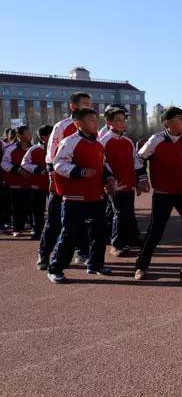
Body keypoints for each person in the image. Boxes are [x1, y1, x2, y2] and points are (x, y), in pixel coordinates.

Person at [133, 106, 182, 281]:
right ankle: (141, 266)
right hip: (162, 194)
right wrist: (142, 178)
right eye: (180, 118)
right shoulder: (156, 140)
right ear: (168, 123)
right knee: (155, 232)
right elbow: (139, 158)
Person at [47, 108, 118, 283]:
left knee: (99, 232)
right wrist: (80, 171)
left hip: (96, 196)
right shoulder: (69, 142)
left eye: (96, 120)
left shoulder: (98, 144)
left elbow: (103, 165)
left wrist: (109, 178)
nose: (95, 123)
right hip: (75, 198)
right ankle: (55, 268)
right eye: (91, 120)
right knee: (70, 234)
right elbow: (58, 165)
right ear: (79, 123)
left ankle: (96, 264)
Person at [40, 92, 93, 268]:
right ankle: (45, 254)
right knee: (54, 220)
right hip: (62, 181)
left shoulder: (92, 129)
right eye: (85, 103)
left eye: (90, 103)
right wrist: (52, 180)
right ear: (73, 106)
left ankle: (83, 253)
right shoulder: (62, 127)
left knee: (83, 220)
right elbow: (51, 156)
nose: (89, 106)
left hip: (82, 182)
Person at [99, 107, 150, 257]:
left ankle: (132, 239)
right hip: (114, 185)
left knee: (128, 212)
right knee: (119, 213)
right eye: (118, 120)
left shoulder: (128, 141)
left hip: (128, 184)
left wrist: (141, 180)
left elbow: (136, 162)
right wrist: (108, 182)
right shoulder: (103, 142)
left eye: (123, 120)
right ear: (108, 122)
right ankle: (116, 244)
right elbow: (102, 164)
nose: (122, 123)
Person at [20, 125, 53, 242]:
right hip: (37, 185)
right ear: (44, 137)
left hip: (53, 185)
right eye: (52, 134)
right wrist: (37, 169)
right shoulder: (34, 149)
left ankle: (54, 231)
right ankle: (37, 230)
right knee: (38, 210)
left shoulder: (56, 148)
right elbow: (24, 163)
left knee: (54, 209)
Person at [1, 125, 32, 237]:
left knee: (32, 207)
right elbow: (4, 164)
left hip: (31, 183)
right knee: (17, 207)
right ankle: (17, 228)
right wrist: (18, 169)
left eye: (30, 133)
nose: (30, 135)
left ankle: (35, 227)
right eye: (27, 133)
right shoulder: (10, 149)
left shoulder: (33, 149)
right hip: (16, 183)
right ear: (19, 135)